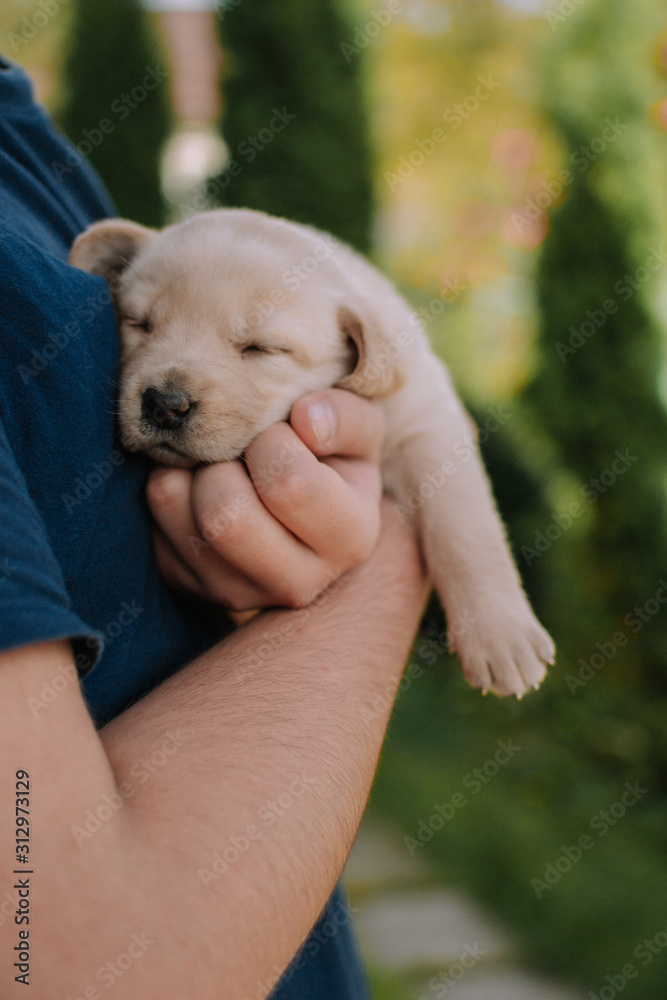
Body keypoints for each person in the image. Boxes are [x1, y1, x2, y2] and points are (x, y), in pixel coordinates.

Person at [0, 55, 427, 998]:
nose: (168, 379)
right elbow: (66, 961)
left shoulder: (19, 129)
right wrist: (392, 551)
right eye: (138, 322)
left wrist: (250, 561)